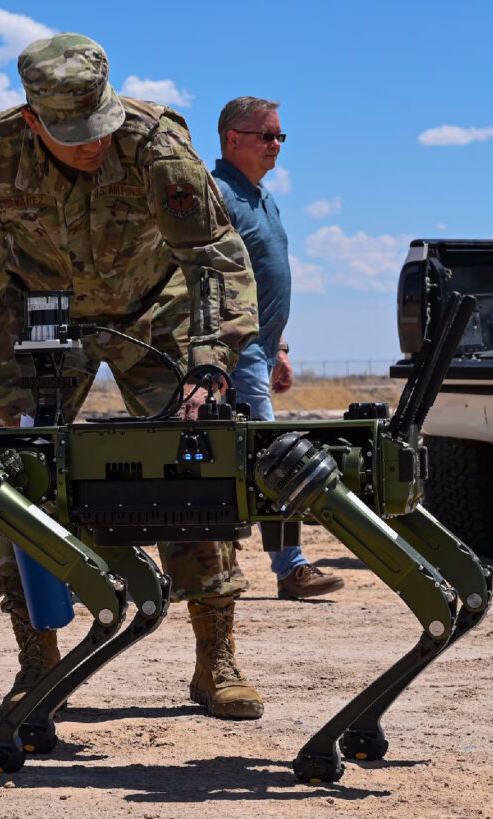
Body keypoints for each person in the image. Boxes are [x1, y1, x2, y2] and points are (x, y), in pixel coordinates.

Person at [0, 33, 266, 720]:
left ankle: (216, 656)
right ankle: (38, 661)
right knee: (21, 475)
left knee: (195, 457)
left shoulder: (154, 144)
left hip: (158, 307)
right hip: (44, 315)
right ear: (33, 121)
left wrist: (210, 362)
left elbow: (215, 257)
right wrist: (7, 402)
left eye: (99, 126)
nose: (93, 144)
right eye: (73, 134)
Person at [212, 96, 345, 600]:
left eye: (278, 137)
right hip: (233, 349)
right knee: (274, 455)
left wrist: (281, 347)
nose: (275, 145)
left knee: (250, 457)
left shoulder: (262, 198)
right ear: (232, 139)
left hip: (261, 349)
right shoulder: (217, 195)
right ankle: (291, 568)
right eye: (266, 135)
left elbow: (264, 282)